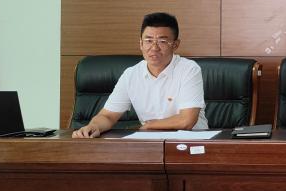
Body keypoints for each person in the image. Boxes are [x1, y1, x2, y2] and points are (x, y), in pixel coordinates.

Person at [73, 12, 208, 138]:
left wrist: (149, 126)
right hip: (149, 142)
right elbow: (108, 116)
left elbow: (186, 121)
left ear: (175, 45)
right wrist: (94, 126)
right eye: (148, 40)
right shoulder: (131, 74)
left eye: (162, 41)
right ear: (141, 44)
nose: (154, 48)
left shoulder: (189, 69)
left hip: (190, 141)